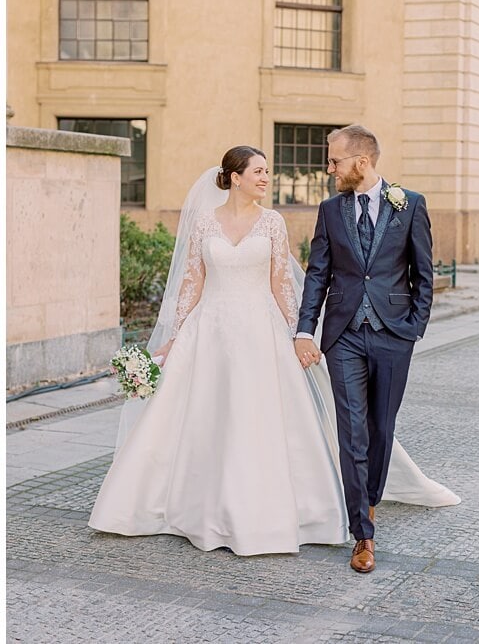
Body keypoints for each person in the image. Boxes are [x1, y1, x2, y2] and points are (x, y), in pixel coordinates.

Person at [89, 145, 458, 558]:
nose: (267, 178)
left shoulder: (272, 223)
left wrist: (299, 334)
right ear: (235, 177)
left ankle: (272, 511)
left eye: (267, 171)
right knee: (203, 418)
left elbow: (284, 282)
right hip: (208, 330)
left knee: (259, 417)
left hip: (260, 331)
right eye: (259, 172)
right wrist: (174, 337)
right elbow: (191, 282)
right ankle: (192, 509)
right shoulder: (204, 224)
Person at [294, 124, 435, 573]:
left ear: (361, 162)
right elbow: (318, 273)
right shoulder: (330, 210)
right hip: (344, 335)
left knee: (380, 428)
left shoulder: (409, 205)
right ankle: (363, 535)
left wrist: (413, 328)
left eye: (334, 160)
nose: (329, 168)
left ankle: (369, 502)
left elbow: (424, 274)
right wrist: (304, 330)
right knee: (352, 430)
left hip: (394, 334)